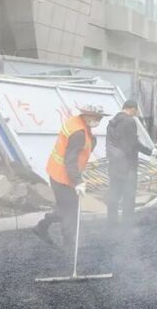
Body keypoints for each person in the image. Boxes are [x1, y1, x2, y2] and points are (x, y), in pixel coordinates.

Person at [34, 105, 109, 248]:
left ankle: (42, 227)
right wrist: (78, 181)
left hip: (59, 172)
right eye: (97, 118)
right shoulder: (78, 133)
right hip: (63, 176)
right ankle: (68, 243)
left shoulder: (77, 122)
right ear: (87, 115)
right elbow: (71, 160)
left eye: (100, 118)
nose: (99, 121)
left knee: (66, 208)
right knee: (70, 210)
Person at [106, 100, 157, 227]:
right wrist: (151, 152)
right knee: (128, 195)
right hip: (127, 166)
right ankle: (127, 223)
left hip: (114, 165)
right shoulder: (129, 121)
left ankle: (111, 223)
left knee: (114, 194)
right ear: (133, 109)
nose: (136, 113)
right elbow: (133, 143)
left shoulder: (112, 122)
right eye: (136, 110)